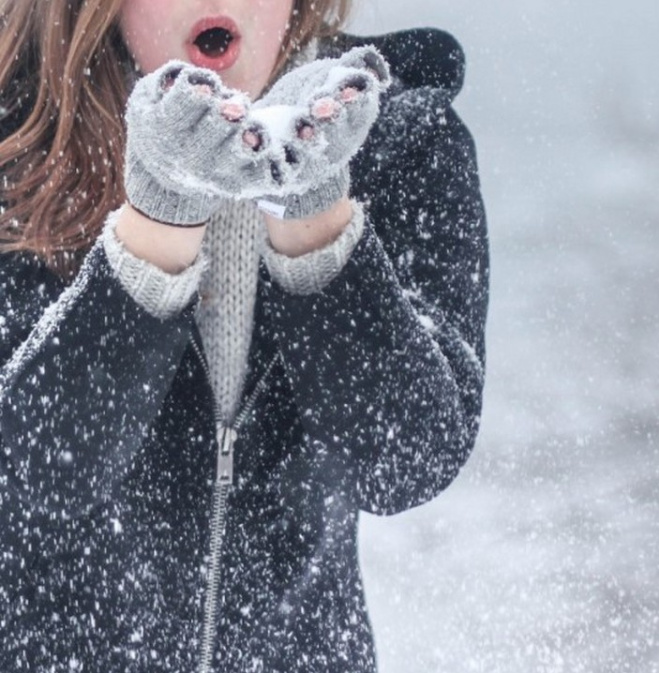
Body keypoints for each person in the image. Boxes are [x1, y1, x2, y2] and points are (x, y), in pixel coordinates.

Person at [0, 0, 488, 670]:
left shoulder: (401, 139)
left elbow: (405, 462)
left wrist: (315, 219)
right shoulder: (14, 143)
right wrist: (159, 224)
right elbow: (32, 473)